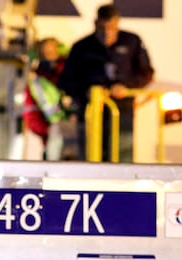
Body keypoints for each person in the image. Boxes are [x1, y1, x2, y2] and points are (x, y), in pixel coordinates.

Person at [57, 3, 154, 162]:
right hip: (90, 112)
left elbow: (147, 73)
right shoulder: (81, 47)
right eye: (103, 28)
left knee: (121, 157)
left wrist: (126, 87)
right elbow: (66, 81)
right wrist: (87, 91)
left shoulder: (132, 41)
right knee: (90, 158)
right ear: (96, 24)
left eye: (112, 28)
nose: (108, 33)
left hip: (122, 111)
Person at [22, 37, 67, 162]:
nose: (50, 57)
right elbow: (30, 114)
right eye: (45, 53)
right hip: (53, 140)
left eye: (53, 52)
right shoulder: (35, 81)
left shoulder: (72, 72)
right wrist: (47, 130)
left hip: (81, 131)